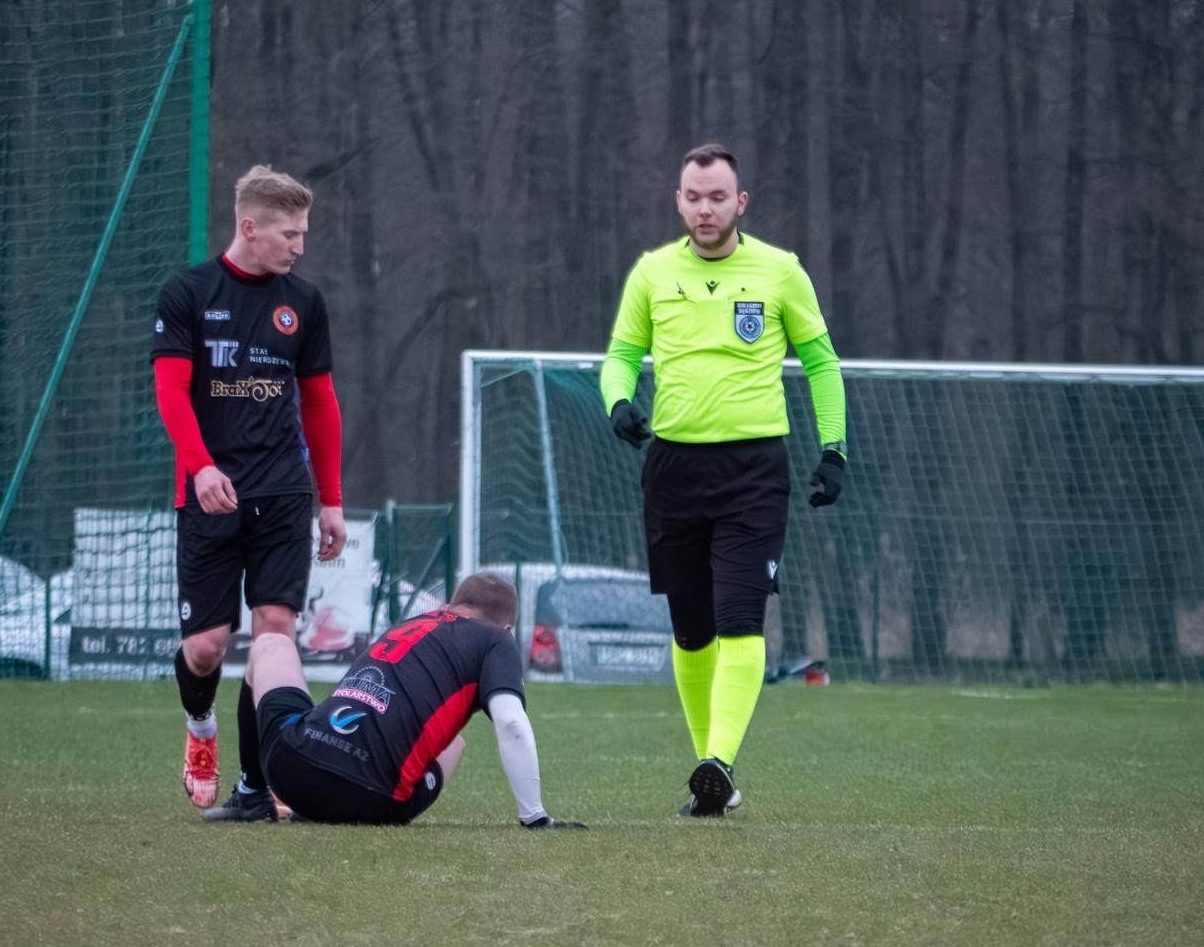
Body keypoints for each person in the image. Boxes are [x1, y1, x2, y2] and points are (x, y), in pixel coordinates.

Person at [600, 143, 847, 817]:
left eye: (717, 197)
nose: (704, 207)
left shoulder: (779, 271)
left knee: (741, 617)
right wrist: (617, 404)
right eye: (692, 196)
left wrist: (835, 448)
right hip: (673, 469)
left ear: (740, 203)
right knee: (690, 630)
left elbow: (821, 363)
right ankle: (715, 774)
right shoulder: (652, 273)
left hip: (753, 471)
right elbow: (620, 356)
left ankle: (717, 760)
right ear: (678, 200)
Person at [152, 165, 347, 821]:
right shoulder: (187, 293)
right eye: (290, 233)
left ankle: (256, 787)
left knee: (273, 636)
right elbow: (171, 393)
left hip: (284, 494)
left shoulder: (305, 303)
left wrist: (333, 500)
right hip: (209, 494)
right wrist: (201, 467)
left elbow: (320, 405)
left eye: (303, 233)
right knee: (206, 644)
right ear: (249, 227)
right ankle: (201, 726)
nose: (299, 246)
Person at [249, 571, 585, 828]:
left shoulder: (413, 623)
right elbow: (511, 721)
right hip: (372, 800)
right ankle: (314, 799)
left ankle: (250, 791)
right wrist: (535, 817)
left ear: (449, 607)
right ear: (507, 627)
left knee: (270, 645)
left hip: (293, 771)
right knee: (455, 744)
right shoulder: (496, 640)